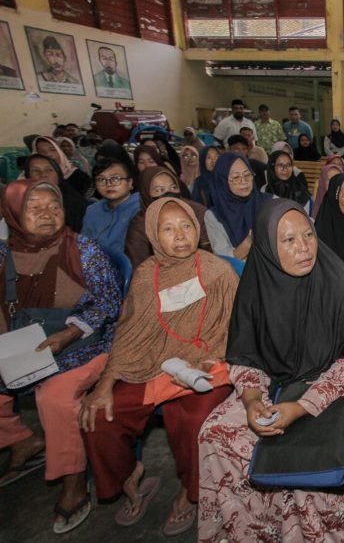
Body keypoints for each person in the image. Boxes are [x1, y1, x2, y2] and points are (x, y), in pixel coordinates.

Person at [197, 198, 344, 543]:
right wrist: (250, 401)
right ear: (266, 246)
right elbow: (247, 356)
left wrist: (301, 407)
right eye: (289, 240)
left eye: (308, 235)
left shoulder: (340, 284)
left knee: (310, 469)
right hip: (273, 387)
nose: (304, 249)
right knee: (214, 434)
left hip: (333, 392)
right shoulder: (256, 285)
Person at [80, 197, 236, 536]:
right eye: (168, 229)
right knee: (101, 414)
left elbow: (238, 324)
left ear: (198, 230)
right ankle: (128, 476)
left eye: (186, 226)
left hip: (202, 364)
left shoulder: (218, 271)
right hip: (152, 362)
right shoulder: (145, 275)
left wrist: (219, 352)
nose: (180, 235)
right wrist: (106, 382)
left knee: (197, 418)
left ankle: (189, 492)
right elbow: (128, 334)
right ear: (153, 235)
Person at [0, 179, 121, 533]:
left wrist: (68, 333)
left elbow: (110, 304)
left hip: (86, 346)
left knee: (54, 397)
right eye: (34, 208)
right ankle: (21, 441)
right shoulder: (5, 253)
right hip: (25, 343)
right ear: (13, 214)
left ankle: (72, 479)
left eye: (54, 207)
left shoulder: (82, 250)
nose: (47, 215)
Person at [125, 166, 211, 268]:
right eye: (159, 190)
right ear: (146, 194)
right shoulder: (139, 225)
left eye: (173, 187)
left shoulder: (196, 211)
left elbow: (208, 254)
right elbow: (139, 266)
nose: (169, 193)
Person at [206, 152, 267, 260]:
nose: (243, 181)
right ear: (222, 181)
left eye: (247, 175)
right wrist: (248, 242)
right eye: (236, 177)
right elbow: (224, 260)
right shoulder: (213, 216)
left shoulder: (270, 202)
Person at [82, 157, 139, 254]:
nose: (108, 184)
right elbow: (84, 245)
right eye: (101, 179)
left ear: (130, 182)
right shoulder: (93, 210)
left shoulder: (141, 208)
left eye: (116, 178)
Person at [23, 154, 87, 233]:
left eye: (49, 170)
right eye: (36, 171)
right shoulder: (20, 202)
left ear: (58, 174)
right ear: (27, 176)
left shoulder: (76, 202)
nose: (43, 175)